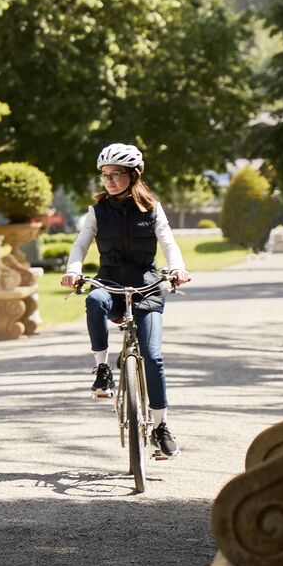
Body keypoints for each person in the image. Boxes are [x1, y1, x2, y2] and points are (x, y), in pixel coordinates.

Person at [59, 142, 192, 460]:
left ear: (133, 176)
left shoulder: (152, 209)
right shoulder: (97, 212)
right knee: (95, 301)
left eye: (116, 174)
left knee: (153, 357)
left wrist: (178, 268)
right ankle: (102, 369)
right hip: (110, 283)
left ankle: (160, 429)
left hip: (147, 286)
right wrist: (73, 271)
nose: (109, 180)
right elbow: (80, 246)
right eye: (105, 175)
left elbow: (169, 243)